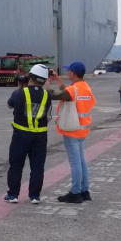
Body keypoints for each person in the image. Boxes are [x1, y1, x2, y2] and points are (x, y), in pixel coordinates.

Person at [4, 64, 53, 204]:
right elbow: (48, 116)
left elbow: (10, 105)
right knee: (37, 166)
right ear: (44, 80)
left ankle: (13, 195)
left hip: (21, 134)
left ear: (30, 77)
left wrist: (20, 87)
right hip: (40, 136)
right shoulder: (47, 95)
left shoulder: (20, 93)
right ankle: (35, 196)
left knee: (16, 165)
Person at [49, 61, 95, 204]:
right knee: (81, 161)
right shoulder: (85, 87)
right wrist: (58, 80)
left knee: (75, 162)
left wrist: (45, 83)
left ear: (73, 73)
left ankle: (75, 193)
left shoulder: (73, 90)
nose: (67, 72)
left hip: (71, 130)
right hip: (82, 129)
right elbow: (68, 93)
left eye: (69, 71)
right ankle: (84, 190)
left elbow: (57, 95)